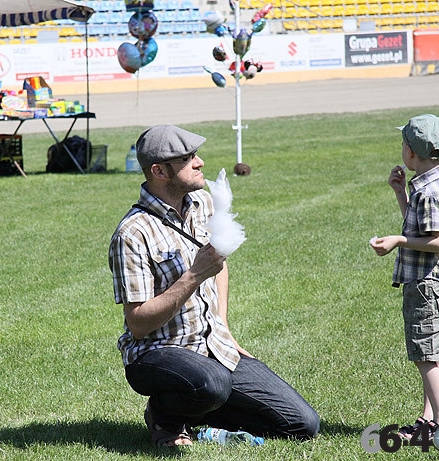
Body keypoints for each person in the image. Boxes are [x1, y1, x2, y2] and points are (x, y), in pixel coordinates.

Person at [108, 124, 320, 447]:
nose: (200, 162)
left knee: (303, 424)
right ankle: (163, 415)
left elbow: (219, 265)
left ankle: (200, 419)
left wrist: (222, 324)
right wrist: (193, 276)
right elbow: (137, 324)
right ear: (159, 171)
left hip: (213, 347)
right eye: (187, 158)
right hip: (157, 353)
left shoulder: (202, 203)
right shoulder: (132, 233)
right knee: (213, 383)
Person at [370, 114, 439, 439]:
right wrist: (400, 195)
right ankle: (428, 420)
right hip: (428, 285)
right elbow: (420, 224)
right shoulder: (426, 187)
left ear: (410, 153)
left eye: (403, 145)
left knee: (426, 355)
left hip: (428, 285)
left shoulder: (432, 192)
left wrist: (399, 240)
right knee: (430, 352)